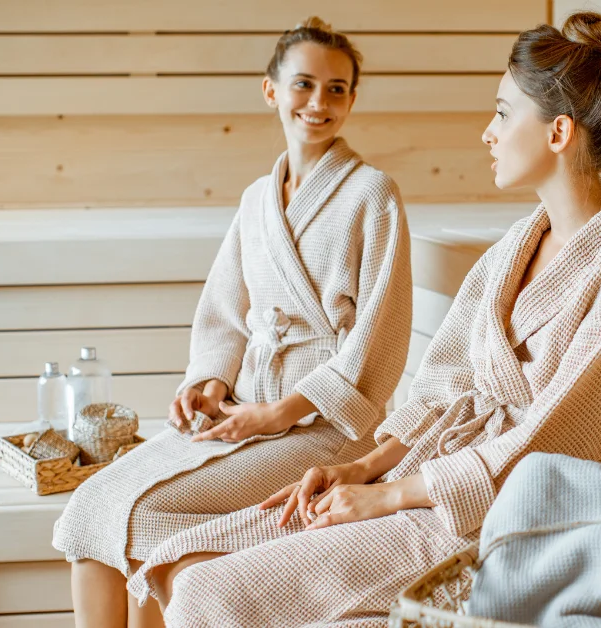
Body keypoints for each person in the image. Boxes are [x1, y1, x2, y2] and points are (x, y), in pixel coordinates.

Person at [127, 12, 601, 627]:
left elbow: (549, 447)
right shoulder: (512, 250)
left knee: (209, 593)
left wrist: (385, 496)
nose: (487, 132)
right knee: (176, 558)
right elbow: (440, 385)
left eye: (502, 112)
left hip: (499, 517)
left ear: (558, 133)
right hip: (424, 475)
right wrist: (353, 469)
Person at [51, 17, 413, 628]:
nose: (319, 103)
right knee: (92, 503)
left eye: (337, 89)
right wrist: (210, 383)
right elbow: (223, 311)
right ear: (271, 90)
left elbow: (379, 343)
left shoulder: (373, 194)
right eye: (303, 85)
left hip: (326, 428)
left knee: (139, 512)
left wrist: (280, 412)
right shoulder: (256, 200)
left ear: (351, 98)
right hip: (243, 413)